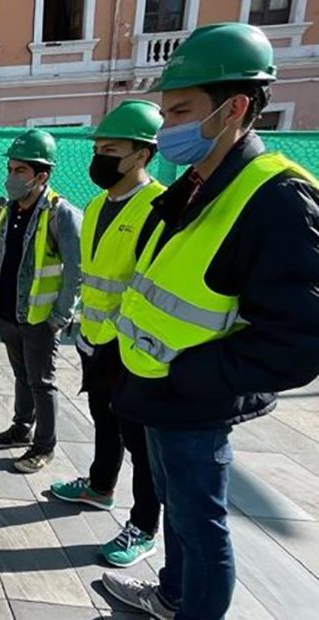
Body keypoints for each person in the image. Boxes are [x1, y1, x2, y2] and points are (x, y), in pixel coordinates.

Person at [100, 23, 319, 620]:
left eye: (180, 112)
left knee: (202, 526)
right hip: (157, 392)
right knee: (179, 513)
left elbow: (299, 341)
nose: (165, 128)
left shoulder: (277, 197)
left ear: (234, 109)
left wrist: (193, 375)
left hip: (194, 401)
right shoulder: (198, 184)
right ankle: (172, 595)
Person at [49, 100, 165, 568]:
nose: (99, 158)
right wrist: (82, 328)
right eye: (97, 149)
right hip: (94, 338)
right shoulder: (97, 205)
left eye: (110, 150)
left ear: (141, 154)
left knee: (142, 441)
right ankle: (100, 486)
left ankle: (145, 525)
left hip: (133, 346)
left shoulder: (159, 208)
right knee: (104, 419)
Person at [0, 129, 81, 473]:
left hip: (40, 318)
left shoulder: (60, 213)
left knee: (42, 382)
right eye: (10, 169)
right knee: (22, 376)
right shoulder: (5, 209)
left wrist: (59, 316)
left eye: (20, 170)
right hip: (7, 312)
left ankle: (43, 446)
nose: (12, 177)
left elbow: (76, 270)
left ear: (42, 176)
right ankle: (21, 428)